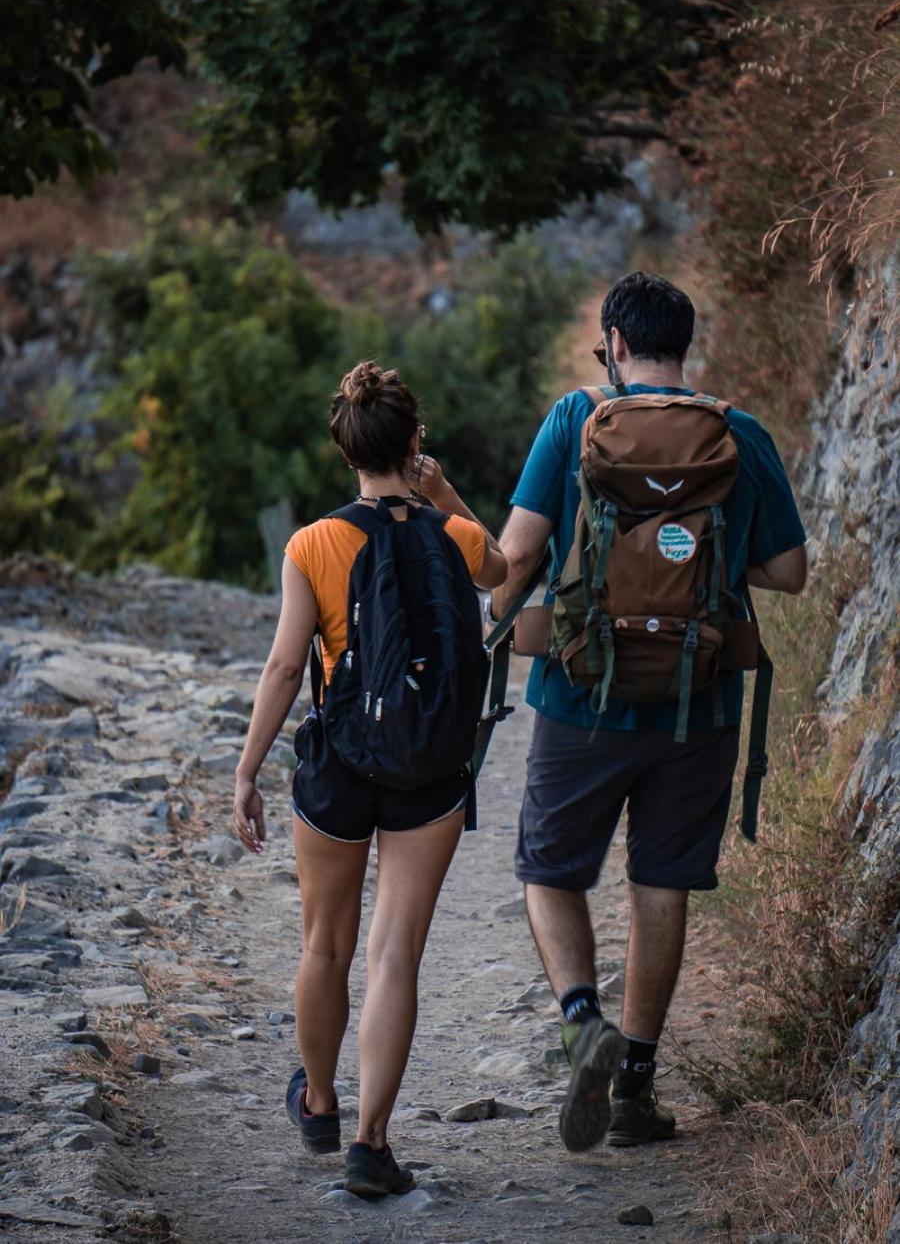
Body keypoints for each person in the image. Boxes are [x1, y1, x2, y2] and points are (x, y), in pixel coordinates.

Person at [489, 271, 807, 1152]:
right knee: (661, 882)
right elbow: (789, 573)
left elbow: (515, 552)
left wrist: (491, 619)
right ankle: (634, 1086)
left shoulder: (574, 420)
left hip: (579, 694)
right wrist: (698, 560)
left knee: (550, 873)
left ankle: (581, 1018)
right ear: (685, 345)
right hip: (695, 705)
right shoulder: (737, 434)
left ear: (615, 344)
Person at [232, 361, 507, 1197]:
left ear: (343, 450)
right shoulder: (450, 537)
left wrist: (246, 772)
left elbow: (286, 667)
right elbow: (501, 570)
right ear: (413, 441)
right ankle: (371, 1144)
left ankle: (316, 1100)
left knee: (326, 944)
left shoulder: (313, 545)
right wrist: (445, 489)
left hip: (341, 762)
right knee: (393, 955)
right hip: (429, 765)